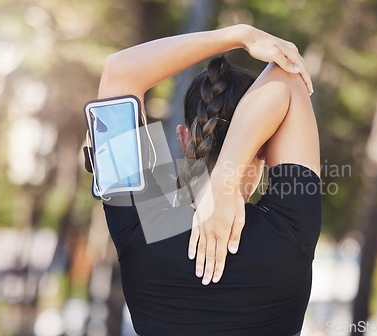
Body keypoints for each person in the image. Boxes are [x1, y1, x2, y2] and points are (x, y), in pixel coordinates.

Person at [97, 24, 321, 336]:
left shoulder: (142, 225)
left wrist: (240, 35)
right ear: (269, 148)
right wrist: (225, 183)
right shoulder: (291, 227)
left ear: (184, 139)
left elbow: (119, 73)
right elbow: (286, 77)